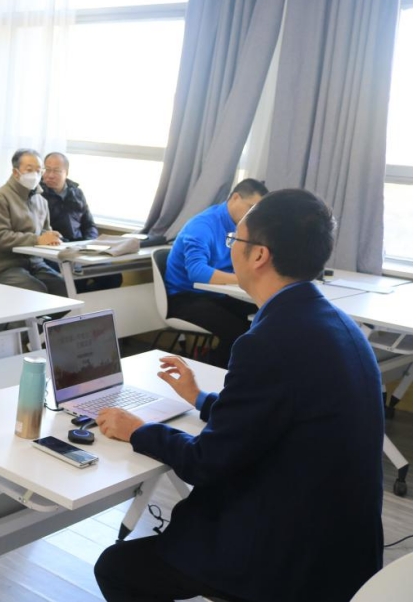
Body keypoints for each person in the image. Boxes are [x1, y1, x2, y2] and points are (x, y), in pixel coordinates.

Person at [94, 189, 384, 602]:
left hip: (289, 559)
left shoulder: (269, 341)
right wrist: (200, 398)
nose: (231, 248)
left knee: (117, 568)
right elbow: (274, 416)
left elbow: (206, 462)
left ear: (259, 255)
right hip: (344, 547)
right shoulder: (336, 322)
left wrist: (138, 430)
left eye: (235, 240)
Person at [163, 179, 268, 366]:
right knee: (238, 331)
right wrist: (241, 278)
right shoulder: (202, 225)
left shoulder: (242, 227)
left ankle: (242, 370)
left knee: (265, 317)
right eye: (250, 208)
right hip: (184, 297)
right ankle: (220, 372)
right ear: (235, 198)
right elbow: (197, 272)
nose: (253, 216)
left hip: (216, 295)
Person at [0, 149, 67, 296]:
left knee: (63, 288)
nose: (35, 175)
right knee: (36, 291)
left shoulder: (41, 200)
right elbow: (1, 237)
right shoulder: (0, 197)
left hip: (35, 263)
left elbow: (44, 231)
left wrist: (51, 238)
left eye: (38, 171)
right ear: (16, 172)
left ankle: (42, 316)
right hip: (4, 265)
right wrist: (37, 239)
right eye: (29, 170)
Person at [39, 152, 119, 292]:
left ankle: (89, 300)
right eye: (47, 169)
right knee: (74, 279)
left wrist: (88, 244)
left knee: (113, 276)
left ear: (66, 172)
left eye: (56, 171)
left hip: (80, 248)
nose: (50, 175)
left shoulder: (76, 193)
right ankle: (79, 300)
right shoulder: (37, 194)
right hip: (55, 250)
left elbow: (89, 225)